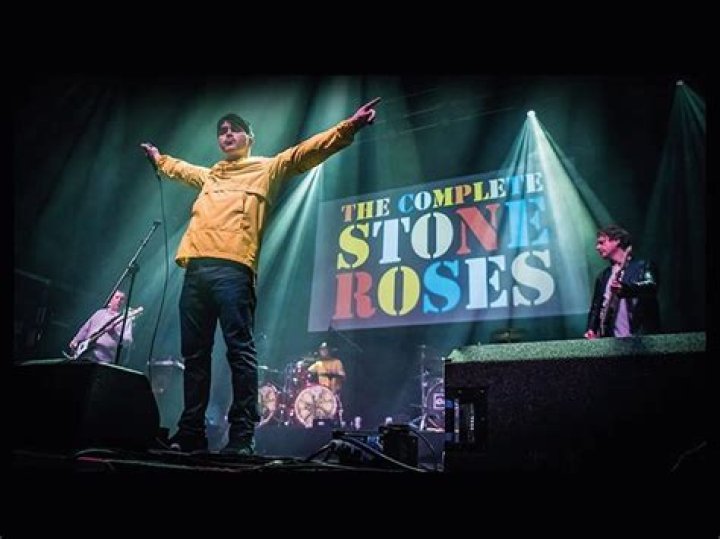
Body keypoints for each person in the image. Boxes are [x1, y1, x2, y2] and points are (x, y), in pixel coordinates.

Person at [140, 97, 381, 455]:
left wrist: (351, 125)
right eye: (222, 131)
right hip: (195, 269)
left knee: (239, 352)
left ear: (249, 138)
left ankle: (241, 437)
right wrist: (159, 159)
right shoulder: (210, 176)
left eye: (234, 129)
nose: (226, 134)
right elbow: (181, 168)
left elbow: (306, 152)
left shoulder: (266, 168)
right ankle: (190, 434)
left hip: (233, 269)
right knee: (195, 356)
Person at [584, 224, 660, 339]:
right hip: (612, 342)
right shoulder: (603, 276)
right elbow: (596, 308)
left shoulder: (643, 266)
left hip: (642, 339)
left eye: (602, 242)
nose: (597, 247)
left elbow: (651, 286)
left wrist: (625, 289)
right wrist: (592, 329)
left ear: (616, 241)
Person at [68, 290, 136, 364]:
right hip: (85, 354)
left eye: (122, 299)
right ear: (111, 299)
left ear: (124, 303)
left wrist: (114, 334)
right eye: (117, 297)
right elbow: (85, 329)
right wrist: (76, 340)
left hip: (104, 360)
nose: (119, 300)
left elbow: (128, 341)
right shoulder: (99, 313)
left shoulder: (125, 319)